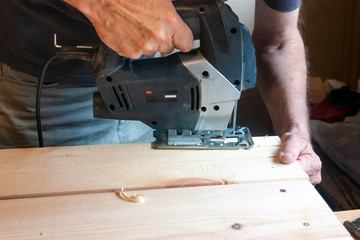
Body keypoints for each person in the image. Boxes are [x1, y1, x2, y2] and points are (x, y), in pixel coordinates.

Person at [0, 0, 321, 185]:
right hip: (52, 88)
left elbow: (278, 41)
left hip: (173, 87)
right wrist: (103, 5)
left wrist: (296, 132)